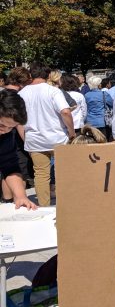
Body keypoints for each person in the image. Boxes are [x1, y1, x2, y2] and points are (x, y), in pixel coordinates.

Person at [18, 62, 75, 206]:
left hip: (34, 139)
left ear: (30, 75)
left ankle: (44, 205)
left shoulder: (22, 93)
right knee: (64, 173)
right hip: (57, 138)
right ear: (48, 75)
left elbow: (18, 120)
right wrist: (71, 132)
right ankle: (67, 204)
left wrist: (25, 138)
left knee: (41, 175)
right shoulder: (53, 91)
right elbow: (65, 111)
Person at [0, 90, 38, 209]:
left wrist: (21, 196)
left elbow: (10, 166)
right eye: (1, 125)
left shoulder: (6, 136)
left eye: (11, 127)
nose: (5, 131)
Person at [84, 76, 114, 140]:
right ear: (98, 85)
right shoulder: (104, 94)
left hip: (90, 122)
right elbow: (112, 104)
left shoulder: (86, 95)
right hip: (102, 121)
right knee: (103, 140)